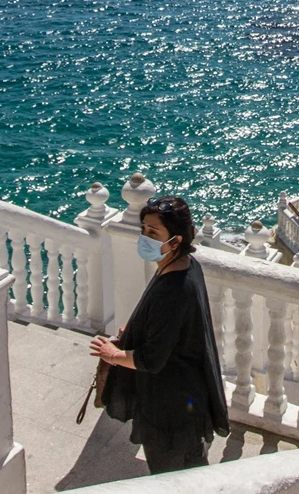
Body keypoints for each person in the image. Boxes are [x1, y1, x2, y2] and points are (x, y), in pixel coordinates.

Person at [88, 195, 230, 473]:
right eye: (143, 229)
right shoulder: (187, 266)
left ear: (175, 241)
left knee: (169, 476)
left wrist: (113, 354)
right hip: (186, 397)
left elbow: (151, 360)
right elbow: (175, 327)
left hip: (170, 409)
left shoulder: (172, 289)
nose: (144, 236)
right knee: (192, 470)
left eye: (153, 232)